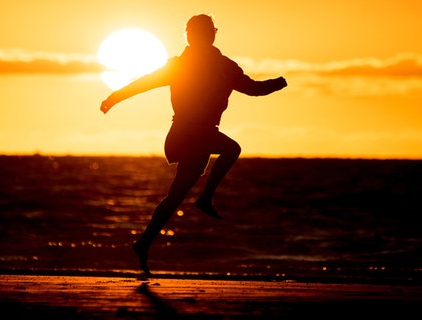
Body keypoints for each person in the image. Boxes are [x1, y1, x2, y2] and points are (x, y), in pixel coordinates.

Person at [100, 14, 287, 276]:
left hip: (204, 135)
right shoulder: (179, 65)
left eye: (205, 32)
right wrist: (114, 97)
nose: (199, 37)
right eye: (195, 33)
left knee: (175, 196)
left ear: (212, 35)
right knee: (232, 149)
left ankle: (143, 244)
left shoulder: (225, 66)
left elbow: (253, 89)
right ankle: (206, 198)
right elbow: (143, 84)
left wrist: (279, 83)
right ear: (189, 35)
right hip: (187, 132)